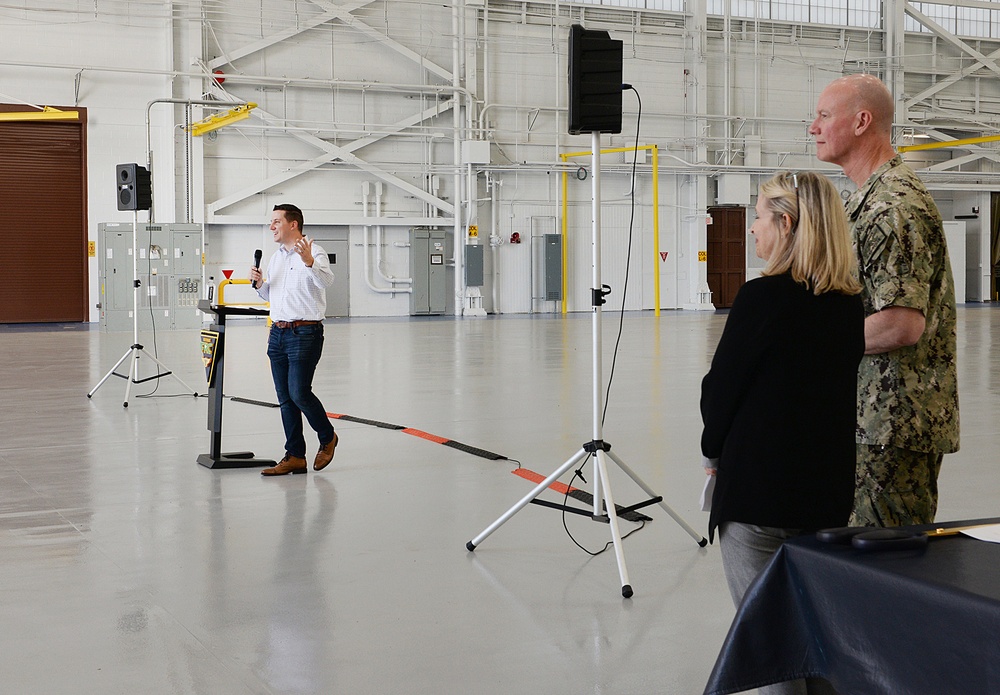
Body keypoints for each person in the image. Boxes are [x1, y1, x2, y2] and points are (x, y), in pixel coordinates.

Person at [701, 172, 863, 695]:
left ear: (785, 223)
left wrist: (711, 452)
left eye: (757, 217)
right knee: (818, 641)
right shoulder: (846, 305)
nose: (751, 230)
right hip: (824, 497)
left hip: (758, 498)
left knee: (771, 649)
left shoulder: (761, 298)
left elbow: (721, 390)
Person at [809, 74, 960, 527]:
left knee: (884, 566)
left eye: (823, 116)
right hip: (871, 420)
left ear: (861, 122)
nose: (812, 127)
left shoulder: (893, 207)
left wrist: (811, 346)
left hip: (892, 426)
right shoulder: (867, 199)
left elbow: (900, 323)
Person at [250, 203, 339, 476]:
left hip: (305, 332)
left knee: (299, 392)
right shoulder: (276, 258)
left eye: (276, 221)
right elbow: (271, 296)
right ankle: (295, 455)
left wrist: (309, 262)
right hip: (277, 333)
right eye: (271, 222)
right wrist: (259, 285)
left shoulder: (315, 251)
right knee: (285, 397)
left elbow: (327, 282)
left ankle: (328, 437)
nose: (272, 227)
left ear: (293, 224)